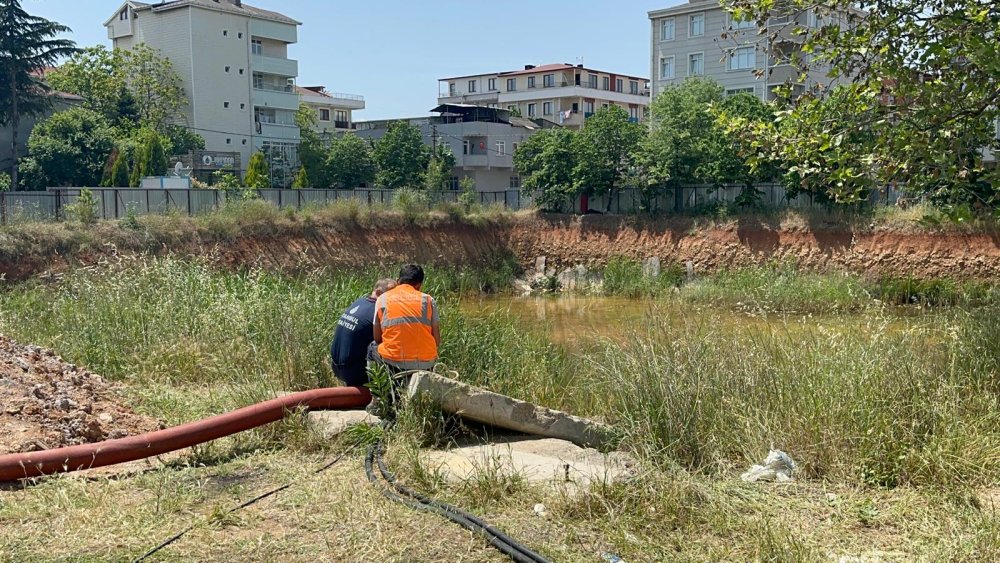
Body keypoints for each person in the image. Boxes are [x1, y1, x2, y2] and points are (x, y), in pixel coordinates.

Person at [369, 264, 440, 374]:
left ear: (398, 282)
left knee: (372, 347)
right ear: (419, 285)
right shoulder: (428, 300)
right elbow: (437, 340)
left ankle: (376, 389)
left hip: (393, 363)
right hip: (426, 363)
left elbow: (377, 338)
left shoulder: (382, 299)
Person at [330, 278, 396, 387]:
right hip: (353, 372)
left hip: (336, 367)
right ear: (379, 293)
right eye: (391, 295)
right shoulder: (378, 310)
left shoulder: (359, 302)